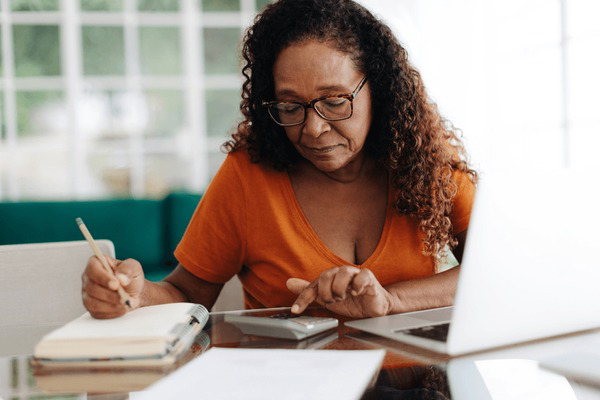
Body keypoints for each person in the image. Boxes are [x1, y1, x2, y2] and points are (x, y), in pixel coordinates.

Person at [81, 0, 477, 320]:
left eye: (335, 101)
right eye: (290, 106)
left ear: (379, 89)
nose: (313, 129)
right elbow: (186, 292)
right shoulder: (247, 175)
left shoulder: (424, 158)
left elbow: (493, 269)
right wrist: (135, 293)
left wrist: (391, 301)